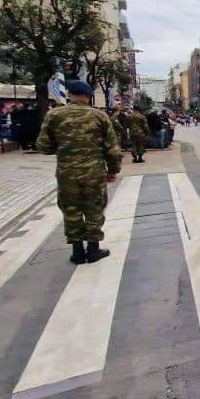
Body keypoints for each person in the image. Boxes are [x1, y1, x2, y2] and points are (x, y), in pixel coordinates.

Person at [35, 80, 121, 264]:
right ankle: (93, 250)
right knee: (94, 209)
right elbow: (113, 149)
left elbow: (43, 146)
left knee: (71, 210)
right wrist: (113, 170)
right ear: (89, 97)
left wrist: (63, 148)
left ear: (69, 94)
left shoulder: (54, 115)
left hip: (67, 174)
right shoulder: (100, 116)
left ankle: (77, 252)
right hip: (94, 173)